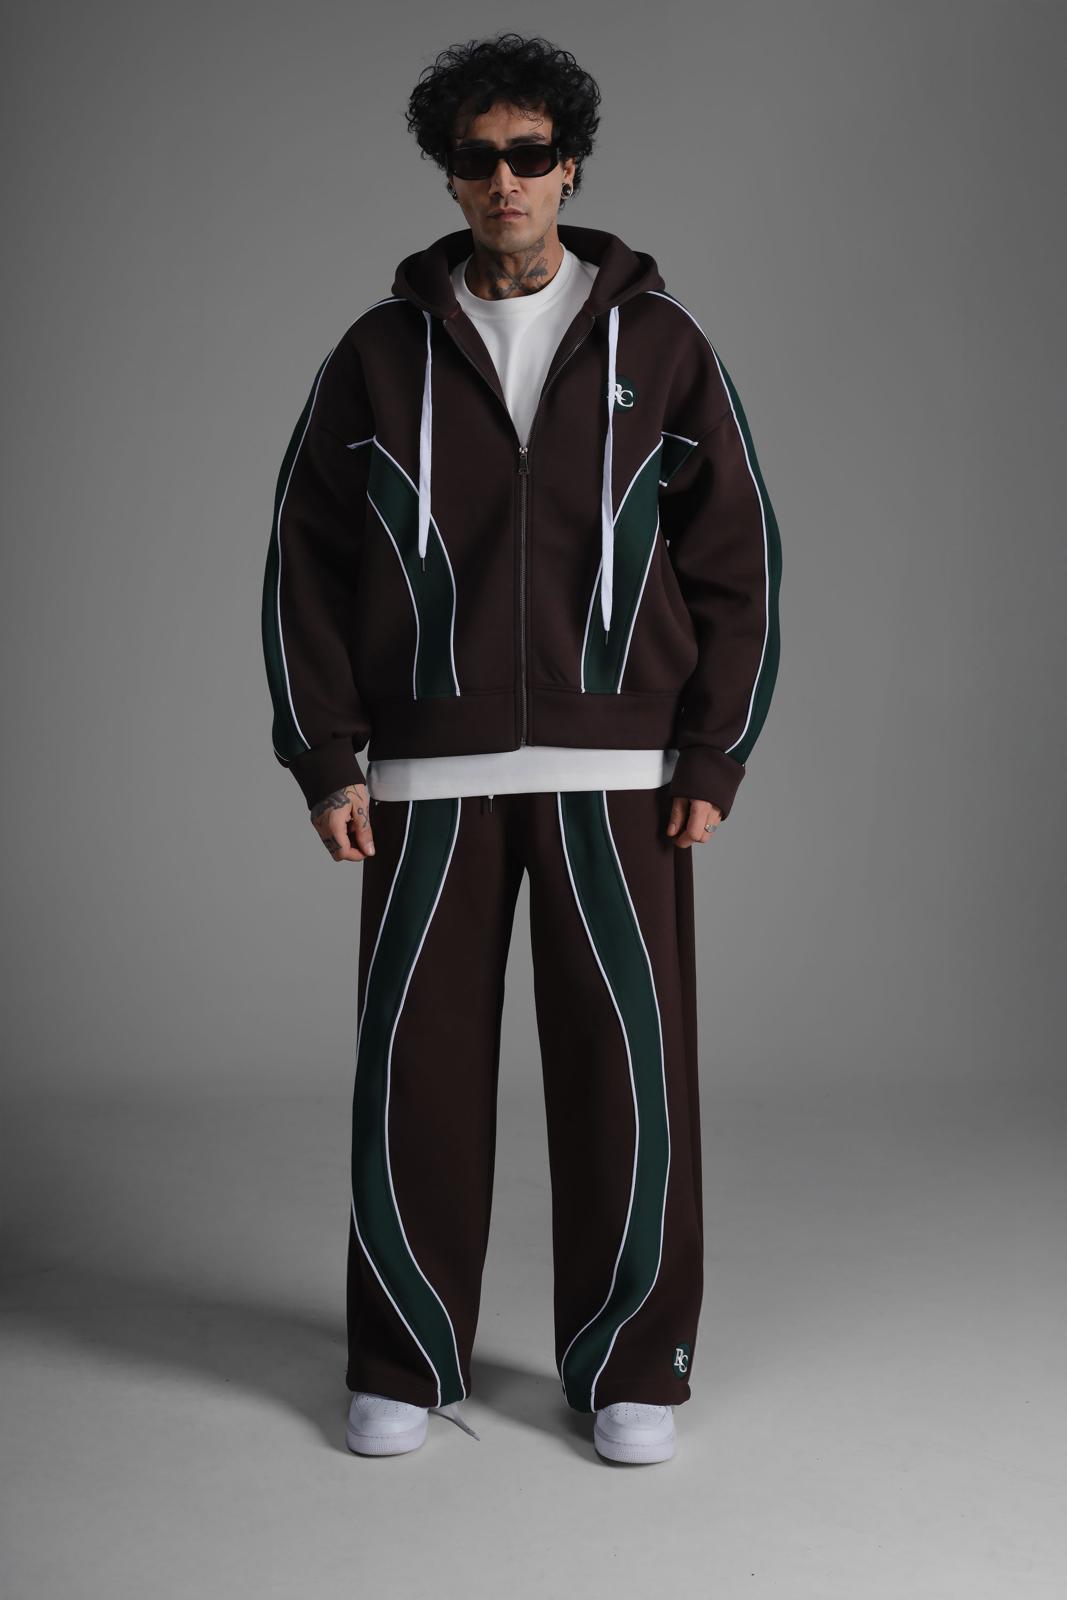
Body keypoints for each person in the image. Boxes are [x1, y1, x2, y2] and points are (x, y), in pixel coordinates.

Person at [260, 31, 782, 1465]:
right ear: (449, 172)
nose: (507, 181)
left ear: (572, 167)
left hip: (619, 781)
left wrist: (713, 755)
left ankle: (631, 1367)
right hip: (425, 782)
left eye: (531, 155)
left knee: (628, 1082)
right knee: (414, 1083)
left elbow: (738, 562)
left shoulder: (662, 349)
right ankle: (402, 1357)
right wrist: (327, 756)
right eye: (480, 158)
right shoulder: (377, 358)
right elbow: (303, 566)